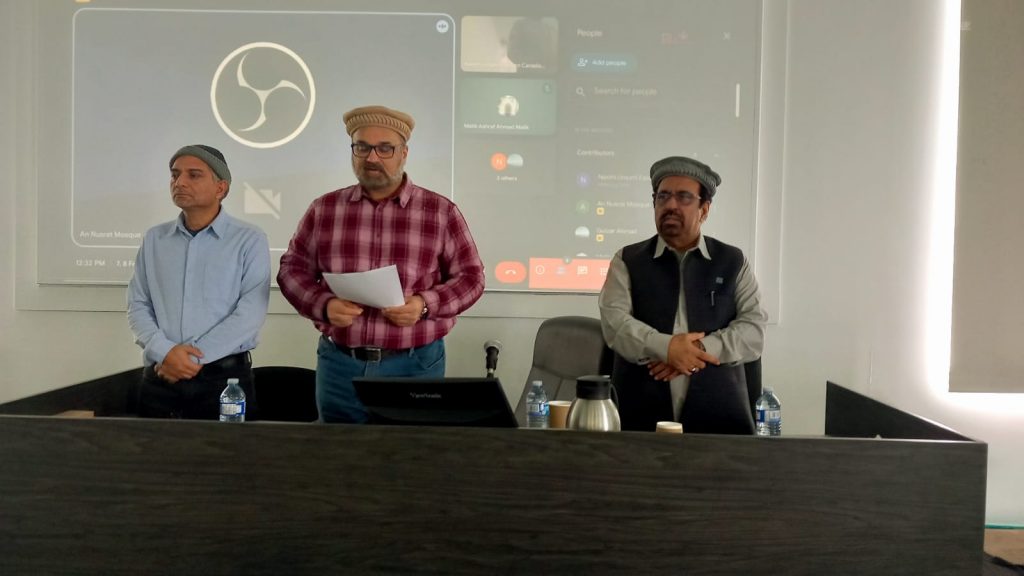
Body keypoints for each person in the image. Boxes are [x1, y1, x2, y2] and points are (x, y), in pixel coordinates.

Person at [277, 105, 485, 423]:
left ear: (404, 153)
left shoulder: (440, 211)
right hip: (340, 366)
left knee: (408, 463)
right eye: (362, 147)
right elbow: (291, 270)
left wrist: (425, 304)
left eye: (384, 148)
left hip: (415, 365)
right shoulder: (325, 210)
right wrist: (323, 304)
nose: (372, 158)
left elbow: (471, 278)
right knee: (337, 462)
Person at [598, 156, 767, 434]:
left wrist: (695, 352)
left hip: (719, 421)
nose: (671, 205)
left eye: (684, 197)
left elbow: (753, 330)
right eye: (663, 196)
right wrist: (666, 348)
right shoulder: (627, 260)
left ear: (704, 209)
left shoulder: (732, 260)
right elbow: (615, 323)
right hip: (638, 418)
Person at [127, 145, 271, 419]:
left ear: (221, 188)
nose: (179, 182)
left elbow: (249, 314)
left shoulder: (248, 239)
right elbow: (137, 305)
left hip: (225, 382)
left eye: (194, 175)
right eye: (175, 175)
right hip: (160, 378)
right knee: (154, 460)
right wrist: (166, 352)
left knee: (226, 460)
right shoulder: (155, 239)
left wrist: (188, 359)